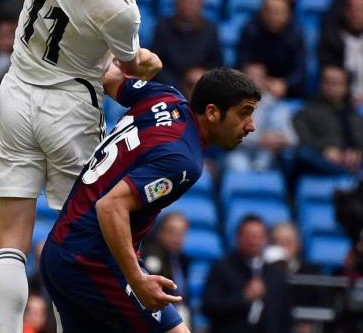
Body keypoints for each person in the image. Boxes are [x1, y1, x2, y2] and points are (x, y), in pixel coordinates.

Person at [0, 0, 162, 333]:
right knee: (78, 241)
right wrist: (152, 62)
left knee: (11, 239)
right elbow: (128, 66)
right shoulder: (119, 6)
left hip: (15, 93)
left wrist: (46, 6)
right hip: (69, 110)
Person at [41, 66, 261, 332]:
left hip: (61, 249)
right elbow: (110, 206)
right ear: (213, 112)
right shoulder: (183, 161)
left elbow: (108, 76)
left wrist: (134, 57)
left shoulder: (165, 97)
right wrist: (137, 280)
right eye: (244, 113)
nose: (251, 126)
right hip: (91, 259)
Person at [202, 215, 291, 333]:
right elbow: (209, 306)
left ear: (265, 239)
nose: (253, 241)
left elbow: (285, 313)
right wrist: (243, 297)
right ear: (238, 237)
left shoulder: (275, 273)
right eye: (249, 236)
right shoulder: (222, 268)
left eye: (258, 236)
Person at [293, 65, 363, 175]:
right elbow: (302, 141)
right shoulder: (305, 113)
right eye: (327, 82)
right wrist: (325, 150)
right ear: (320, 84)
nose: (331, 87)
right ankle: (351, 174)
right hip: (323, 161)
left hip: (356, 163)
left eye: (336, 83)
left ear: (347, 87)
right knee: (303, 155)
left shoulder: (359, 117)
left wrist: (359, 155)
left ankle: (351, 174)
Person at [225, 63, 298, 172]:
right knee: (236, 164)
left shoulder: (279, 107)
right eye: (249, 78)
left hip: (269, 156)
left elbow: (294, 140)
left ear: (266, 81)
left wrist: (281, 140)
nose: (254, 82)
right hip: (240, 154)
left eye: (258, 77)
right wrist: (260, 140)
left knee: (268, 161)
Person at [151, 0, 223, 87]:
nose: (189, 4)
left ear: (201, 5)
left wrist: (204, 76)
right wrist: (179, 85)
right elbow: (156, 64)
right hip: (169, 87)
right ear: (176, 2)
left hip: (200, 87)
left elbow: (217, 64)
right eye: (185, 0)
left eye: (194, 1)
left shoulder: (210, 29)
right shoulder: (162, 28)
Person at [237, 0, 306, 98]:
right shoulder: (250, 30)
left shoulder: (295, 34)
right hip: (254, 89)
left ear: (288, 14)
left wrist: (285, 84)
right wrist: (250, 72)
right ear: (262, 12)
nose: (272, 16)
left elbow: (300, 72)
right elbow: (241, 62)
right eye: (268, 11)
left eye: (278, 12)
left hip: (286, 92)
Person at [141, 213, 192, 327]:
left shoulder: (183, 260)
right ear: (160, 232)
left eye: (181, 234)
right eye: (171, 232)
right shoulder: (151, 255)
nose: (176, 238)